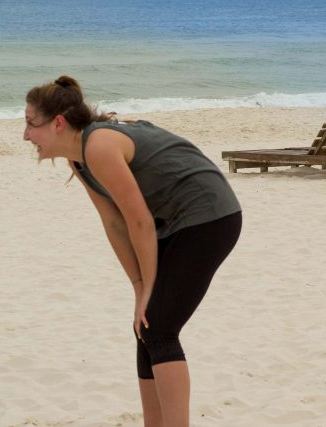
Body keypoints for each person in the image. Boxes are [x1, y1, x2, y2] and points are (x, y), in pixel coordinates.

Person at [23, 76, 242, 427]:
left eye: (31, 124)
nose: (26, 135)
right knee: (146, 327)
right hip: (174, 221)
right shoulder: (78, 160)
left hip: (209, 215)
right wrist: (140, 287)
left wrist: (148, 290)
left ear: (58, 123)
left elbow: (138, 221)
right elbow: (114, 224)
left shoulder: (98, 146)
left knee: (158, 328)